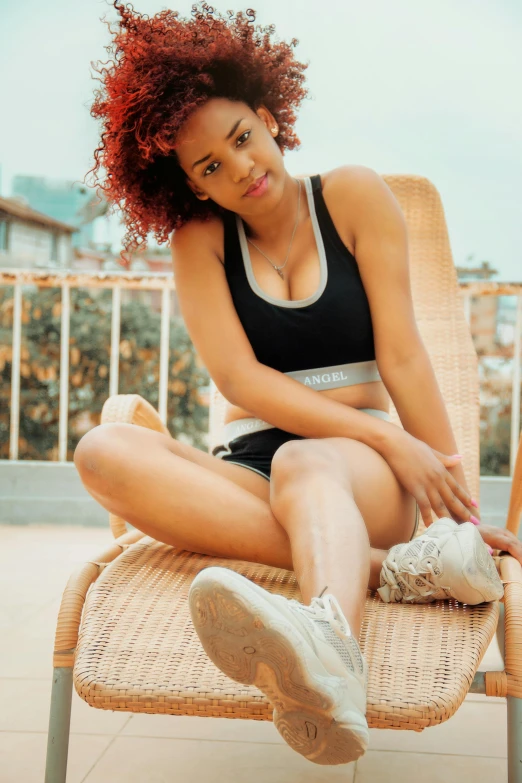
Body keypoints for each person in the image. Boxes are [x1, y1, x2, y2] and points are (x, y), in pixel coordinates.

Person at [75, 1, 521, 767]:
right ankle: (391, 573)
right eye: (210, 167)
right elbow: (238, 376)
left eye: (243, 138)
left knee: (304, 460)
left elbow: (405, 355)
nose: (241, 169)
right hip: (250, 465)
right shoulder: (200, 243)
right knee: (104, 449)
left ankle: (332, 646)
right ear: (190, 187)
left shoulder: (351, 196)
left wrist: (454, 505)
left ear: (271, 114)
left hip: (361, 474)